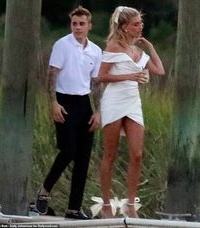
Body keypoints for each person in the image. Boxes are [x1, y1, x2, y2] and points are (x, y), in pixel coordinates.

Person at [35, 6, 102, 220]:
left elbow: (97, 83)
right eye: (75, 23)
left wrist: (99, 112)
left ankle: (74, 208)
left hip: (84, 103)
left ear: (89, 26)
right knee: (68, 151)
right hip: (64, 101)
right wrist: (53, 103)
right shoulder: (62, 45)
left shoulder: (95, 50)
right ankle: (45, 190)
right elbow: (51, 74)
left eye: (82, 24)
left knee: (83, 158)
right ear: (71, 24)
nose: (78, 27)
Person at [98, 6, 165, 218]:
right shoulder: (114, 46)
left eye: (141, 23)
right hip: (114, 101)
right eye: (136, 23)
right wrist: (129, 77)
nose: (140, 26)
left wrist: (151, 47)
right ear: (124, 27)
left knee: (137, 154)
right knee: (110, 154)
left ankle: (130, 204)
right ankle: (107, 204)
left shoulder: (138, 51)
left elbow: (159, 71)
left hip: (132, 102)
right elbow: (101, 77)